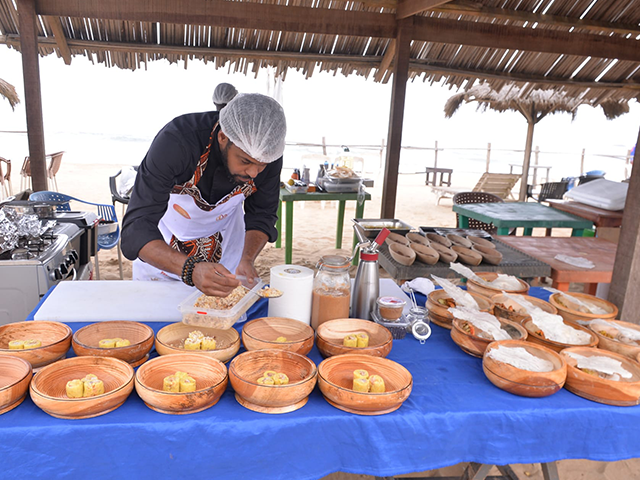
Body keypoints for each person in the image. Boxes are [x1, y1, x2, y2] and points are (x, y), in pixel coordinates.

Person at [121, 93, 286, 297]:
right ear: (223, 137)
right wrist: (190, 270)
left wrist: (247, 260)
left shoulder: (266, 152)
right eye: (244, 161)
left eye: (261, 166)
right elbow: (135, 229)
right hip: (162, 253)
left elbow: (261, 215)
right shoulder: (177, 142)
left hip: (226, 256)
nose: (254, 173)